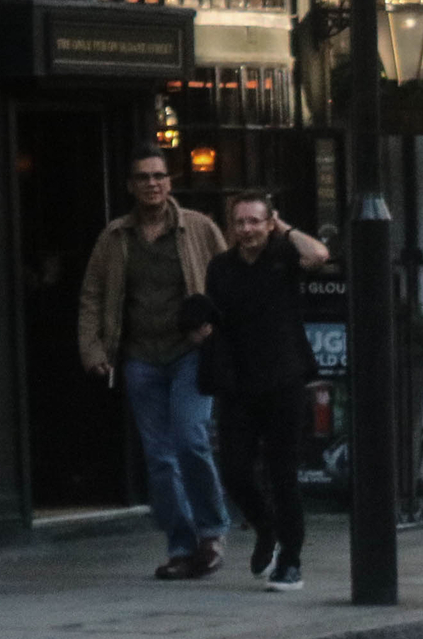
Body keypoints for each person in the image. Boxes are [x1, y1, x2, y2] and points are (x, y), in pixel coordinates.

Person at [78, 147, 231, 579]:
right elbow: (92, 295)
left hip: (189, 354)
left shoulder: (198, 228)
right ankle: (182, 547)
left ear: (170, 182)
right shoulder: (114, 238)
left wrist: (216, 331)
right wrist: (93, 350)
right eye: (143, 177)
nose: (152, 184)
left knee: (190, 439)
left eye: (159, 176)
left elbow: (226, 282)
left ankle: (212, 531)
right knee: (160, 458)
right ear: (130, 185)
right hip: (140, 358)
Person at [201, 191, 329, 591]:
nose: (247, 229)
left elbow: (320, 255)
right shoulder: (221, 267)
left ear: (269, 223)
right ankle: (265, 528)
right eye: (239, 222)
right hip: (238, 384)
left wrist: (284, 226)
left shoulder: (283, 256)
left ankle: (291, 560)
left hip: (284, 380)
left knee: (282, 474)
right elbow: (215, 320)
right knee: (235, 471)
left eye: (255, 221)